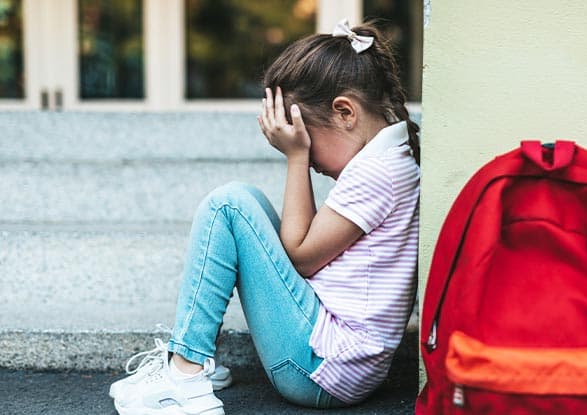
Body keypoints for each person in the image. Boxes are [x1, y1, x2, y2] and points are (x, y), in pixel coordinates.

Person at [109, 19, 421, 415]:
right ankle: (194, 360)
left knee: (229, 205)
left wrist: (296, 158)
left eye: (307, 138)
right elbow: (305, 247)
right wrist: (303, 153)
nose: (310, 157)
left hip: (320, 370)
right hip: (333, 362)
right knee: (245, 200)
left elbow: (301, 255)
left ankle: (184, 375)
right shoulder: (387, 158)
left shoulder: (379, 171)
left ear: (345, 112)